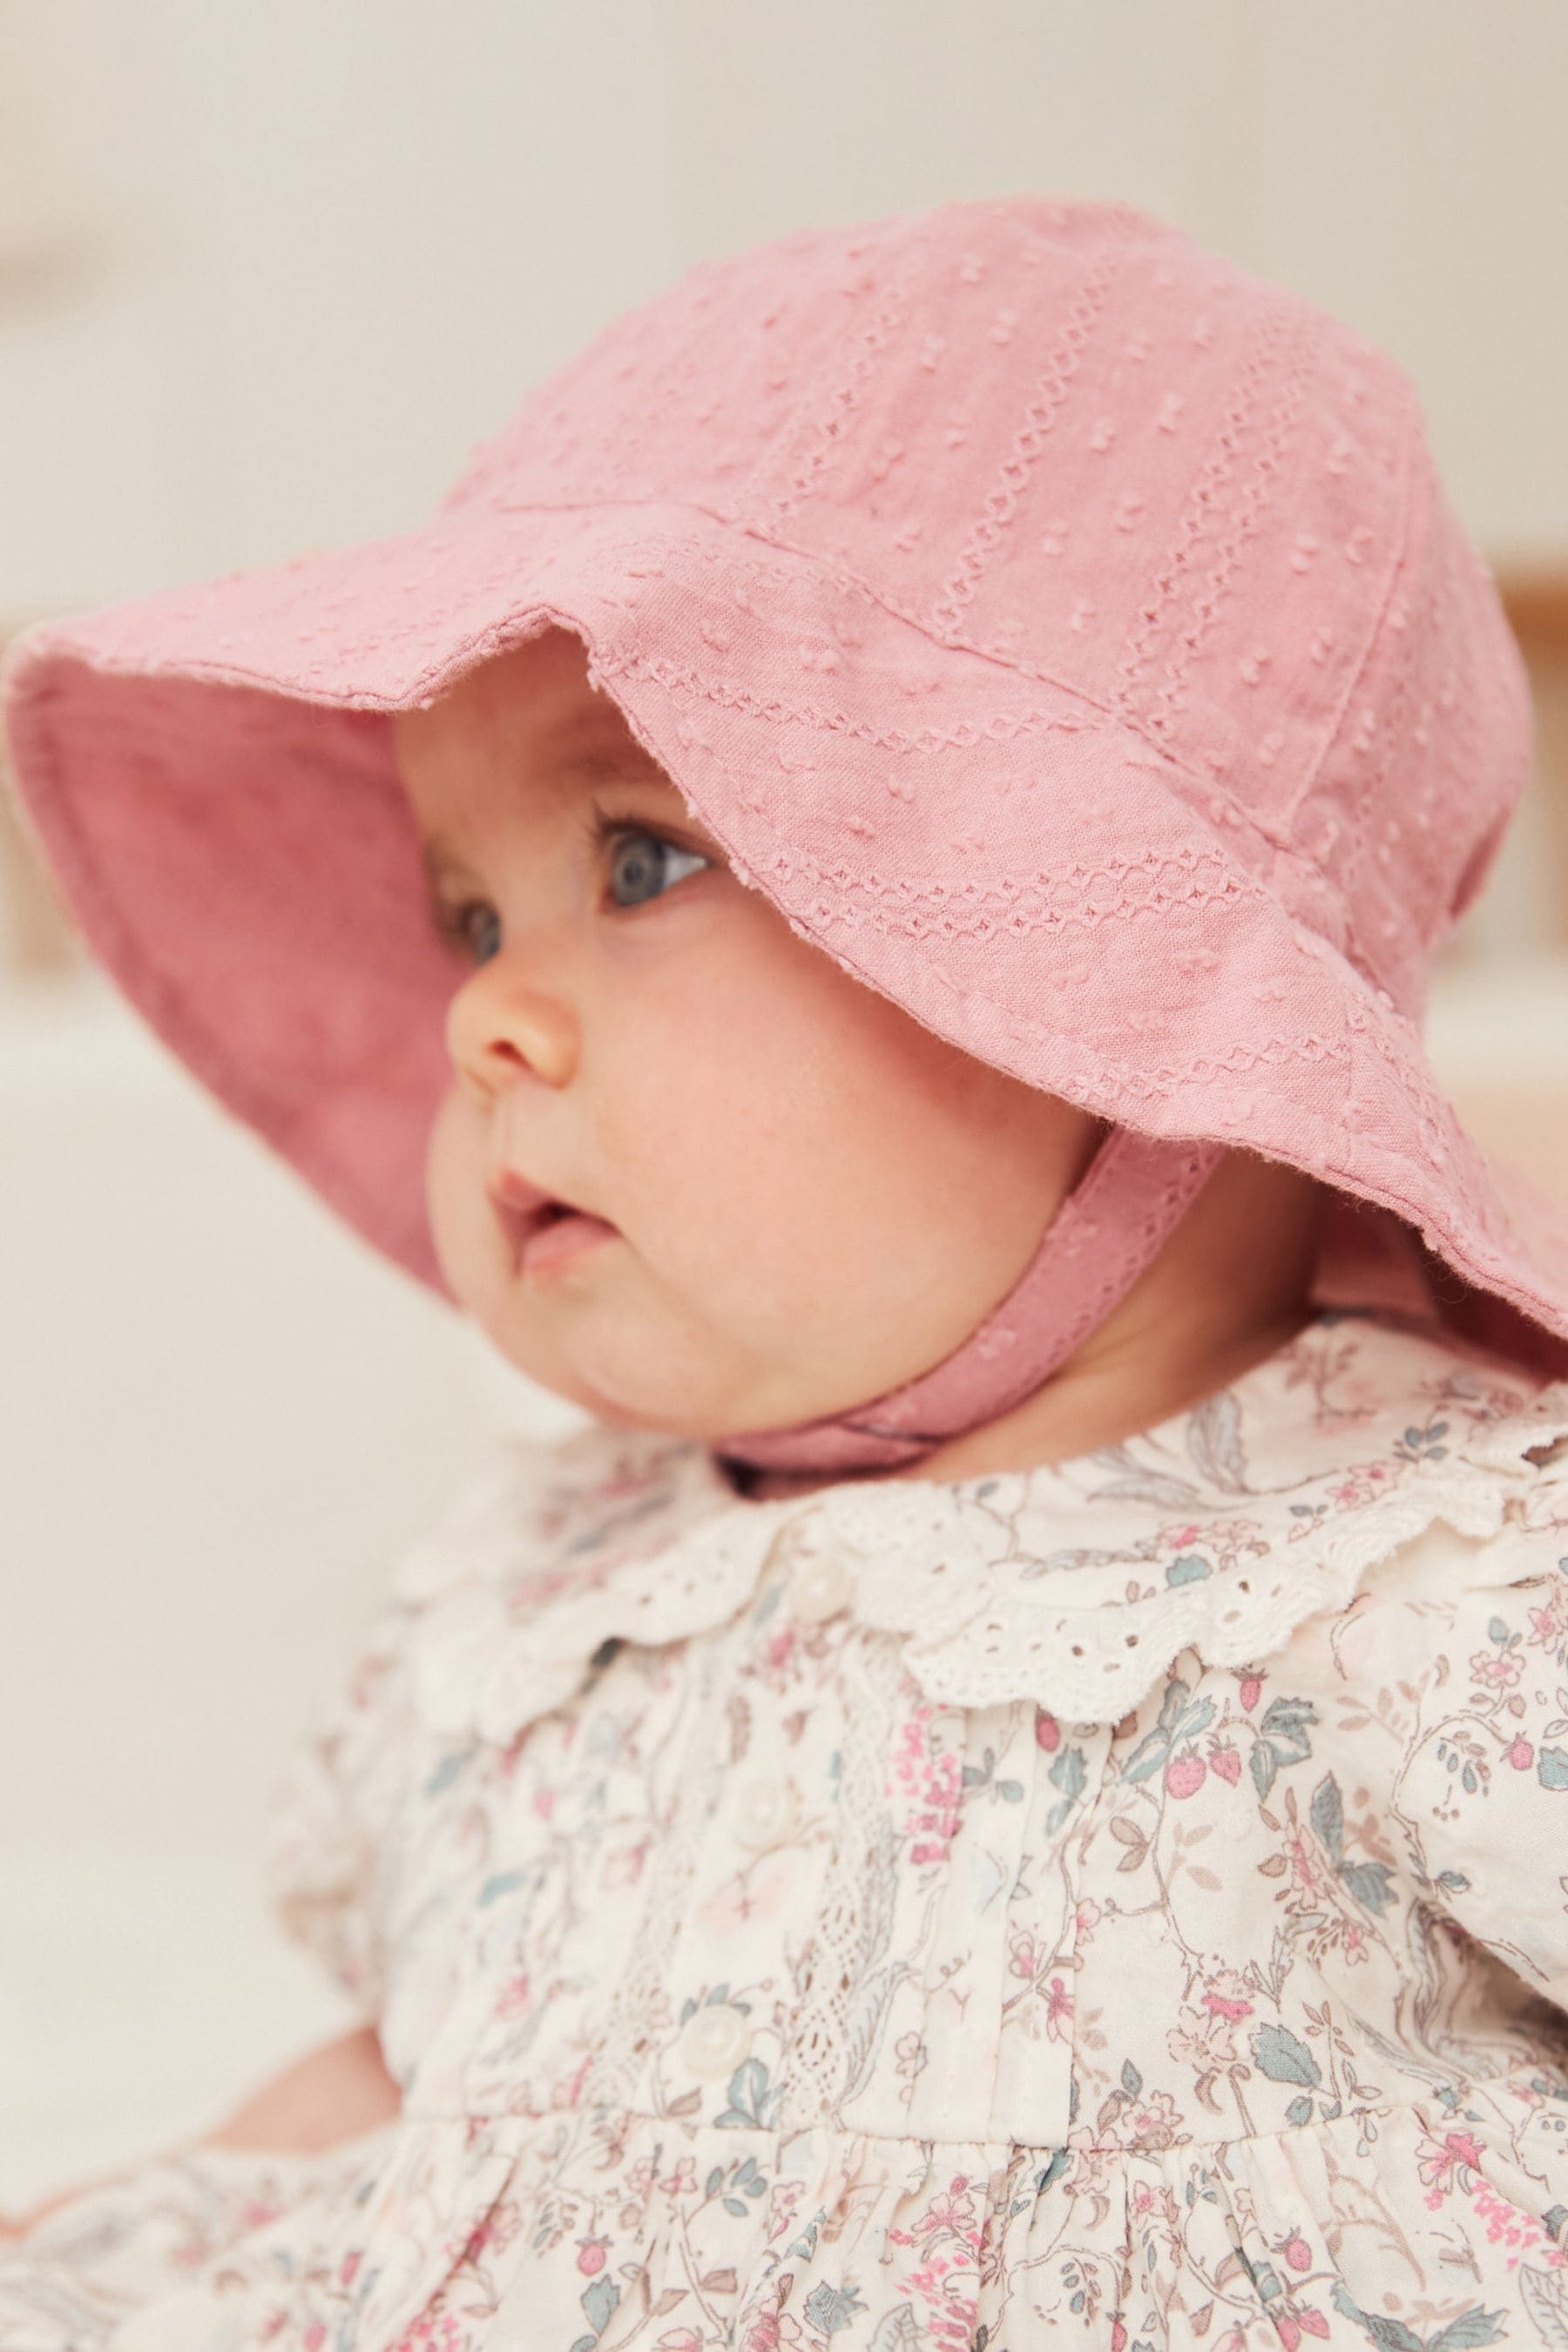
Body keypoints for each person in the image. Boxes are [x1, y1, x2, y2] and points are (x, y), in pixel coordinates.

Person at [3, 193, 1568, 2352]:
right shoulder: (544, 1605)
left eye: (639, 862)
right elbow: (422, 2088)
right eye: (469, 918)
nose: (482, 1020)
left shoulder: (1437, 1583)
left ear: (1129, 1015)